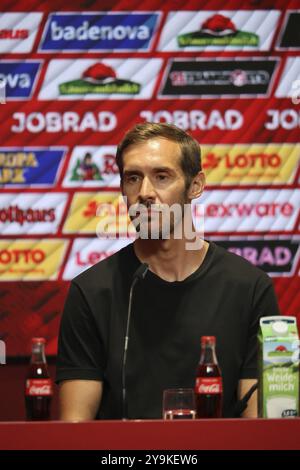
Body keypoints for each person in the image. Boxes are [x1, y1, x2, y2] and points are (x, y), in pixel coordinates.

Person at [56, 122, 280, 421]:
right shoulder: (92, 292)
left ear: (196, 185)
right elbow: (74, 431)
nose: (145, 193)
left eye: (162, 177)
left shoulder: (249, 288)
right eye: (133, 178)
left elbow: (260, 431)